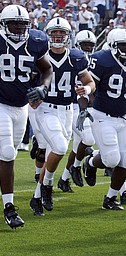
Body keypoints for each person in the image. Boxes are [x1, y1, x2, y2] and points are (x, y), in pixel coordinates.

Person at [29, 17, 95, 216]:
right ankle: (47, 184)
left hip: (68, 110)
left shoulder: (76, 56)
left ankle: (36, 197)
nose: (58, 36)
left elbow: (90, 81)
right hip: (46, 108)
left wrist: (86, 89)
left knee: (54, 152)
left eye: (62, 33)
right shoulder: (41, 56)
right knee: (59, 148)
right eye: (54, 33)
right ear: (48, 35)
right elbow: (29, 81)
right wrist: (32, 95)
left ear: (68, 36)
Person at [0, 4, 52, 228]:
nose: (19, 29)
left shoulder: (36, 41)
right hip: (0, 103)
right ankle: (9, 208)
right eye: (14, 25)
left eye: (23, 25)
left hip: (21, 107)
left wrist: (43, 88)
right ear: (4, 24)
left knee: (6, 156)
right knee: (7, 152)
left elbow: (47, 70)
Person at [82, 28, 126, 211]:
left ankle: (110, 198)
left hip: (124, 116)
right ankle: (90, 161)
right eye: (123, 46)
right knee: (112, 159)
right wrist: (84, 106)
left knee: (125, 161)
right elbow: (90, 85)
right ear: (113, 45)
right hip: (103, 115)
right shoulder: (101, 59)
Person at [57, 29, 97, 192]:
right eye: (84, 45)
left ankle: (65, 178)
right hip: (71, 106)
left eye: (90, 46)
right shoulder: (73, 58)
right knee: (87, 139)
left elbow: (93, 85)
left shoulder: (95, 61)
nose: (87, 49)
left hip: (87, 106)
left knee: (78, 144)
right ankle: (77, 166)